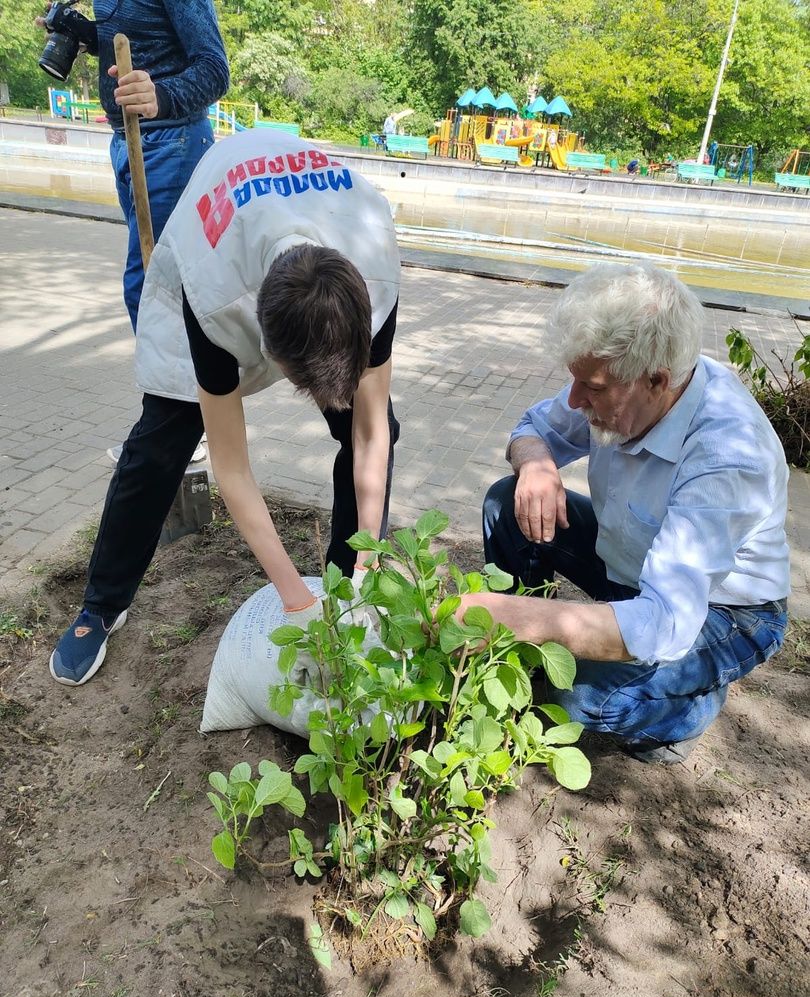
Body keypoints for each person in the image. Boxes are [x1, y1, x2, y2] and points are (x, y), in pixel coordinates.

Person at [50, 129, 401, 686]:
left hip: (309, 216)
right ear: (268, 353)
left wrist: (369, 555)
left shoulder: (375, 264)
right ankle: (102, 604)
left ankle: (347, 585)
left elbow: (371, 433)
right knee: (163, 440)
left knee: (371, 426)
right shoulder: (212, 295)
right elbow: (232, 470)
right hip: (216, 231)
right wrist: (293, 598)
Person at [457, 263, 789, 764]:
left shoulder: (727, 456)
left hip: (723, 609)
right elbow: (532, 428)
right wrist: (536, 463)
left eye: (591, 387)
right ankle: (519, 662)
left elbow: (665, 621)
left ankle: (689, 711)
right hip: (631, 561)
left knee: (574, 696)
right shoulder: (617, 379)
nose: (574, 399)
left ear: (656, 381)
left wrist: (521, 618)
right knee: (507, 502)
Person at [37, 0, 229, 464]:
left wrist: (160, 94)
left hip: (171, 141)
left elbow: (214, 69)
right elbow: (140, 43)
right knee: (149, 290)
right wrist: (86, 34)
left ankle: (182, 428)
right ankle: (180, 422)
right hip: (127, 141)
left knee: (158, 291)